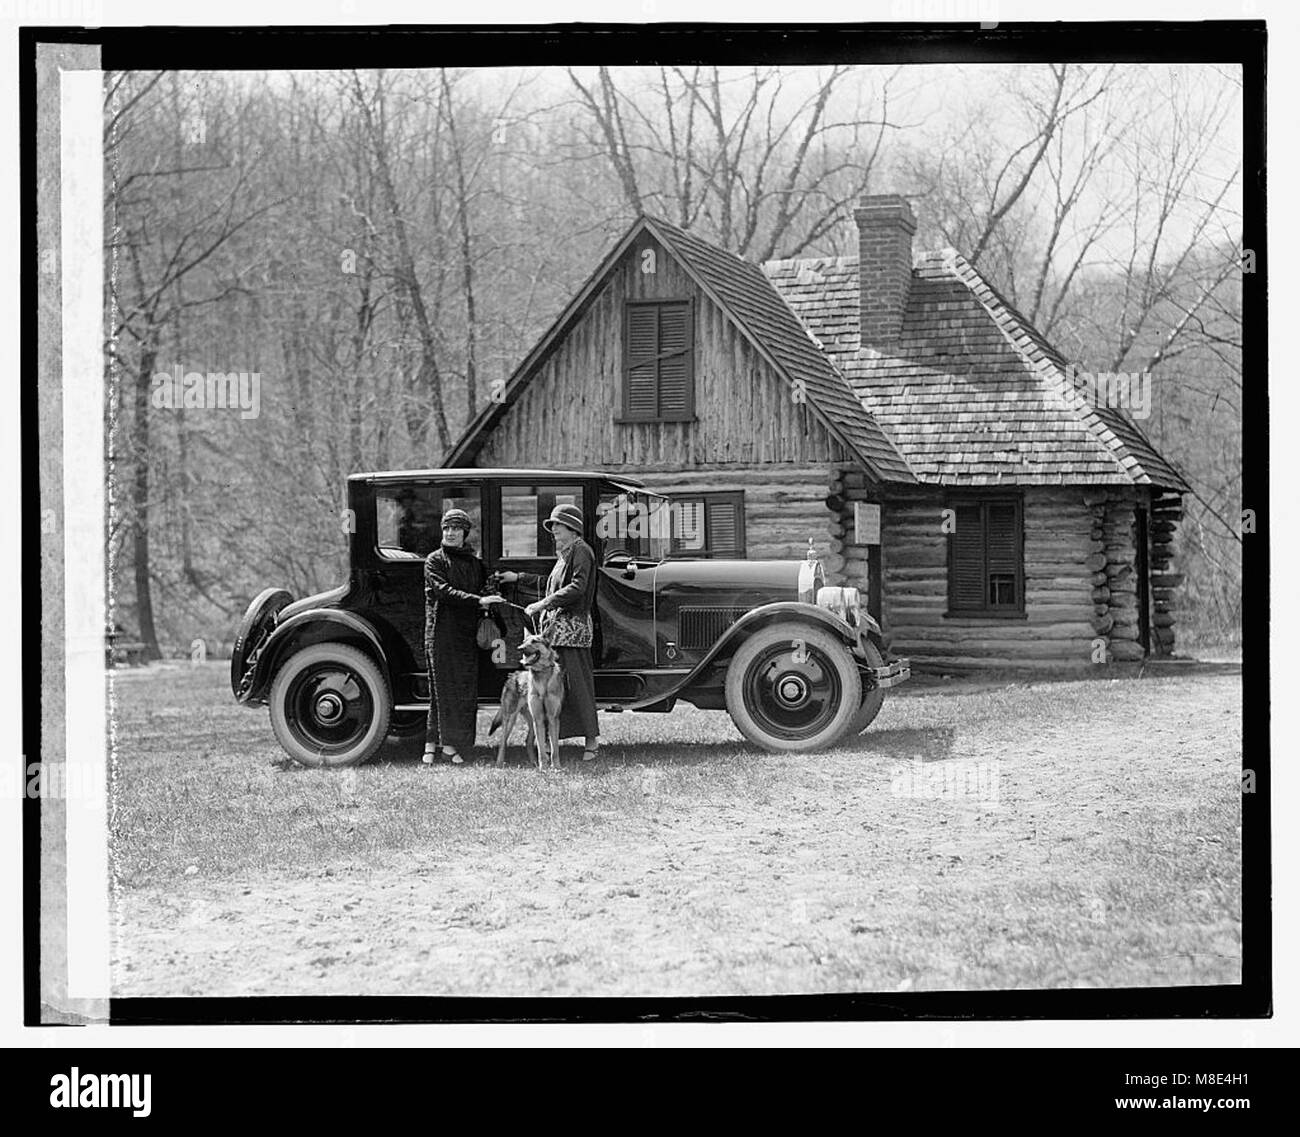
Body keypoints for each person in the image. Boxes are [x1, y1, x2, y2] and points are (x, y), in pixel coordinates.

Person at [496, 503, 600, 762]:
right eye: (552, 527)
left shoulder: (582, 551)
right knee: (556, 687)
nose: (553, 531)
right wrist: (518, 578)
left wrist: (543, 604)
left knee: (578, 684)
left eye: (558, 526)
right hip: (557, 632)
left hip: (573, 631)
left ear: (573, 529)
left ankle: (592, 742)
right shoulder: (565, 554)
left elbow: (577, 587)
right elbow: (550, 583)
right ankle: (554, 741)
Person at [423, 508, 504, 765]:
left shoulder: (473, 562)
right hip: (441, 634)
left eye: (456, 529)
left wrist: (492, 586)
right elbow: (444, 592)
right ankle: (446, 747)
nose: (450, 533)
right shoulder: (434, 561)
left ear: (465, 533)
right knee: (444, 690)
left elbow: (482, 585)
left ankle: (436, 745)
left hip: (466, 634)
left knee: (461, 691)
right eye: (447, 528)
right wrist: (479, 600)